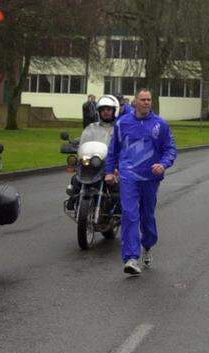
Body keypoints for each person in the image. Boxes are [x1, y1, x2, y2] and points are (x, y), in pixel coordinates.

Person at [104, 88, 177, 276]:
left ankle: (147, 246)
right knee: (129, 214)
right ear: (135, 102)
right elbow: (113, 150)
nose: (146, 102)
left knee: (147, 216)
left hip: (150, 177)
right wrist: (109, 171)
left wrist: (163, 164)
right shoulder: (123, 123)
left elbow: (170, 149)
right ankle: (131, 258)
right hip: (128, 176)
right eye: (142, 99)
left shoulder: (160, 125)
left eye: (149, 99)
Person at [65, 95, 120, 212]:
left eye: (108, 109)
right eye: (103, 110)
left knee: (118, 183)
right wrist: (75, 144)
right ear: (99, 112)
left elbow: (125, 143)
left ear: (114, 111)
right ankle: (73, 198)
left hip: (110, 163)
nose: (106, 112)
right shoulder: (91, 127)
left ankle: (118, 208)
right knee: (76, 178)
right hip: (94, 161)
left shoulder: (119, 128)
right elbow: (84, 140)